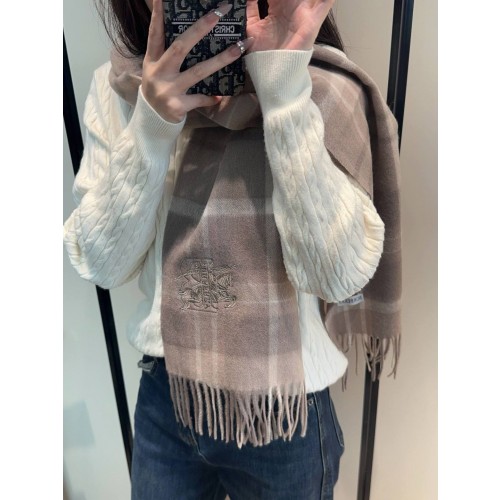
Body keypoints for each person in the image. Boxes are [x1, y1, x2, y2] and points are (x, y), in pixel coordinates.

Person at [64, 0, 392, 498]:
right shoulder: (119, 87)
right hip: (166, 393)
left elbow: (338, 275)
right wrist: (151, 125)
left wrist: (282, 91)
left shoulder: (314, 80)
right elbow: (101, 264)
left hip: (286, 408)